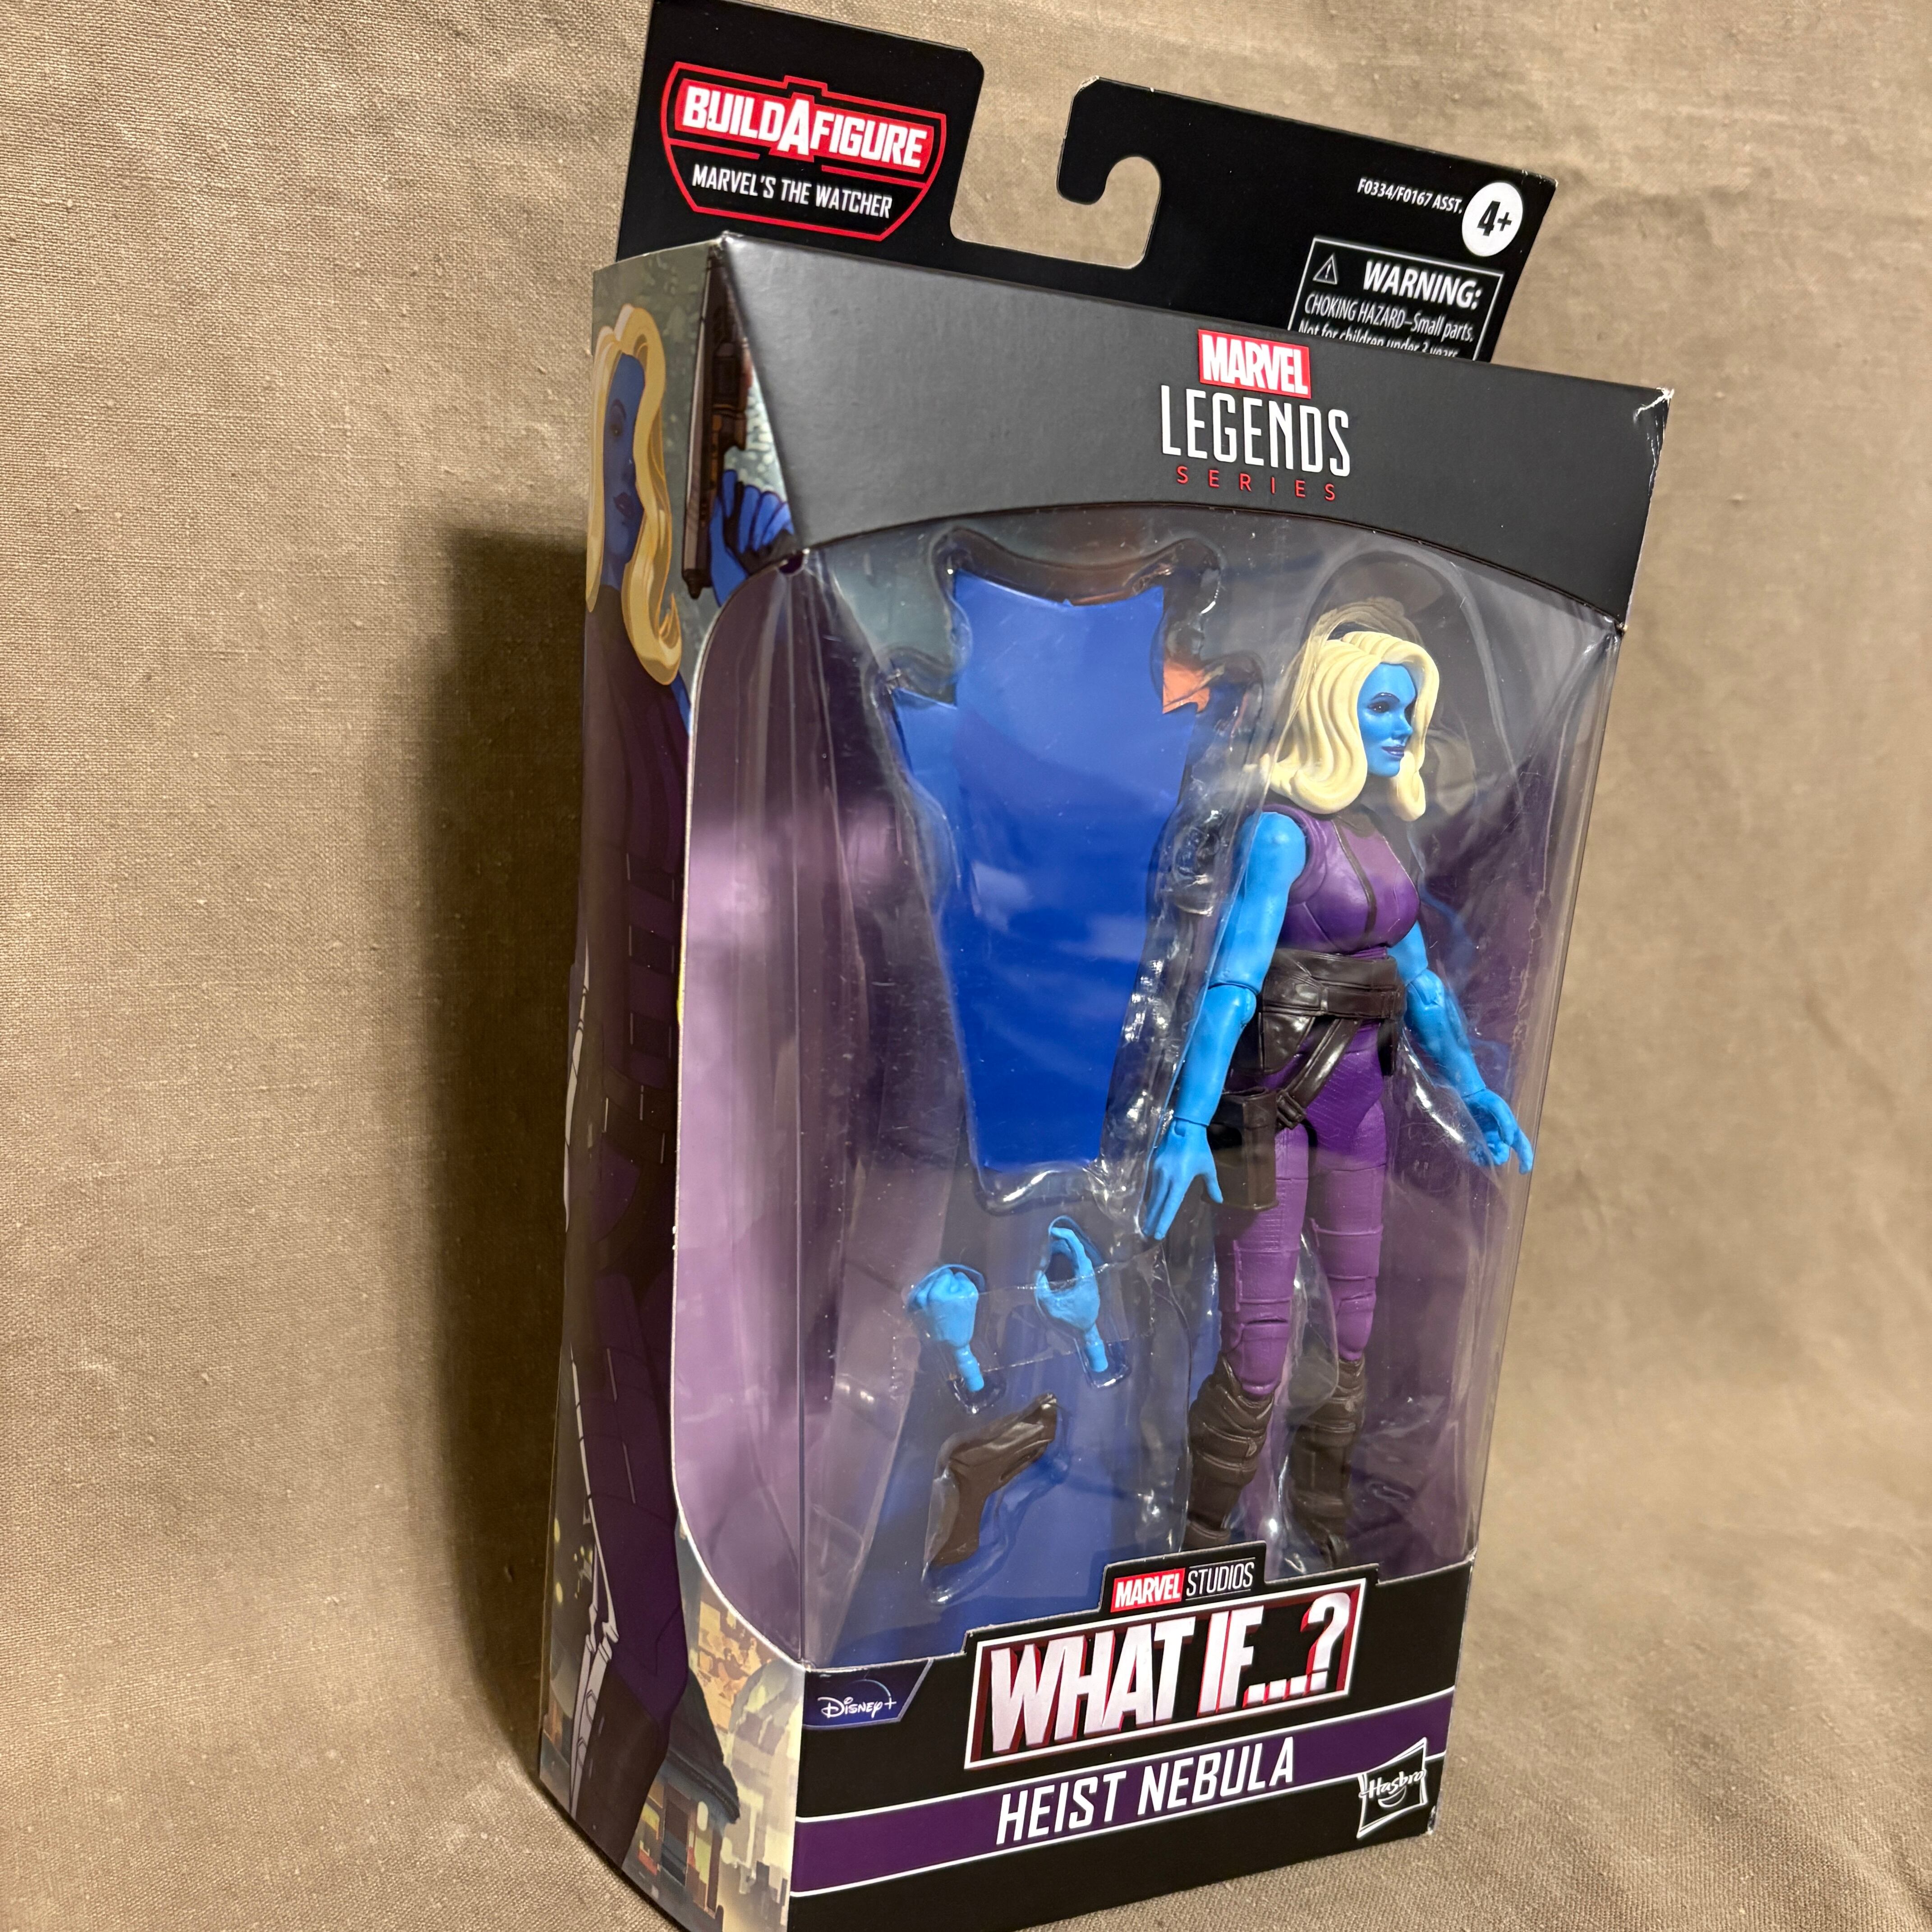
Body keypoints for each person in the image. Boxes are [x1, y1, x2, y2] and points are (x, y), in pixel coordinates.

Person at [1142, 603, 1532, 1564]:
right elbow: (1231, 985)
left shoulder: (1382, 845)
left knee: (1353, 1336)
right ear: (1330, 709)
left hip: (1358, 1109)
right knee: (1259, 1346)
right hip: (1263, 1111)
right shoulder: (1282, 839)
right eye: (1383, 707)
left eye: (1410, 710)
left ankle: (1317, 1516)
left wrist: (1475, 1090)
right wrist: (1188, 1124)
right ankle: (1202, 1537)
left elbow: (1424, 987)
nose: (1404, 728)